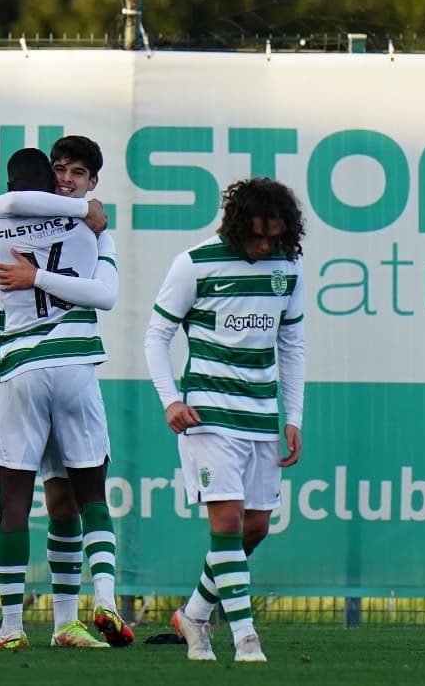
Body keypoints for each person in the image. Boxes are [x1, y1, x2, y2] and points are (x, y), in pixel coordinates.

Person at [0, 136, 130, 650]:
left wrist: (37, 273)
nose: (66, 180)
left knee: (60, 499)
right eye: (59, 170)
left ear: (92, 182)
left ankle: (62, 622)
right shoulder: (71, 222)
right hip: (1, 372)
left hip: (37, 367)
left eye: (77, 174)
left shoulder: (83, 229)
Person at [143, 177, 306, 663]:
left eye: (272, 236)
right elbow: (157, 336)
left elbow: (292, 344)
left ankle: (192, 614)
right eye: (256, 235)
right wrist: (171, 400)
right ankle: (245, 638)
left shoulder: (288, 265)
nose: (264, 245)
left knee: (254, 527)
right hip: (207, 415)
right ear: (237, 226)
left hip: (260, 416)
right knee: (229, 521)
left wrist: (293, 416)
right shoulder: (193, 263)